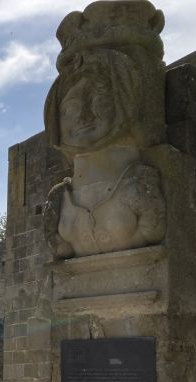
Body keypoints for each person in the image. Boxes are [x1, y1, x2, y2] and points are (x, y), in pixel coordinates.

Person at [42, 48, 165, 259]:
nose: (85, 116)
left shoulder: (138, 183)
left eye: (100, 101)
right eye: (71, 108)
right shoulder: (58, 198)